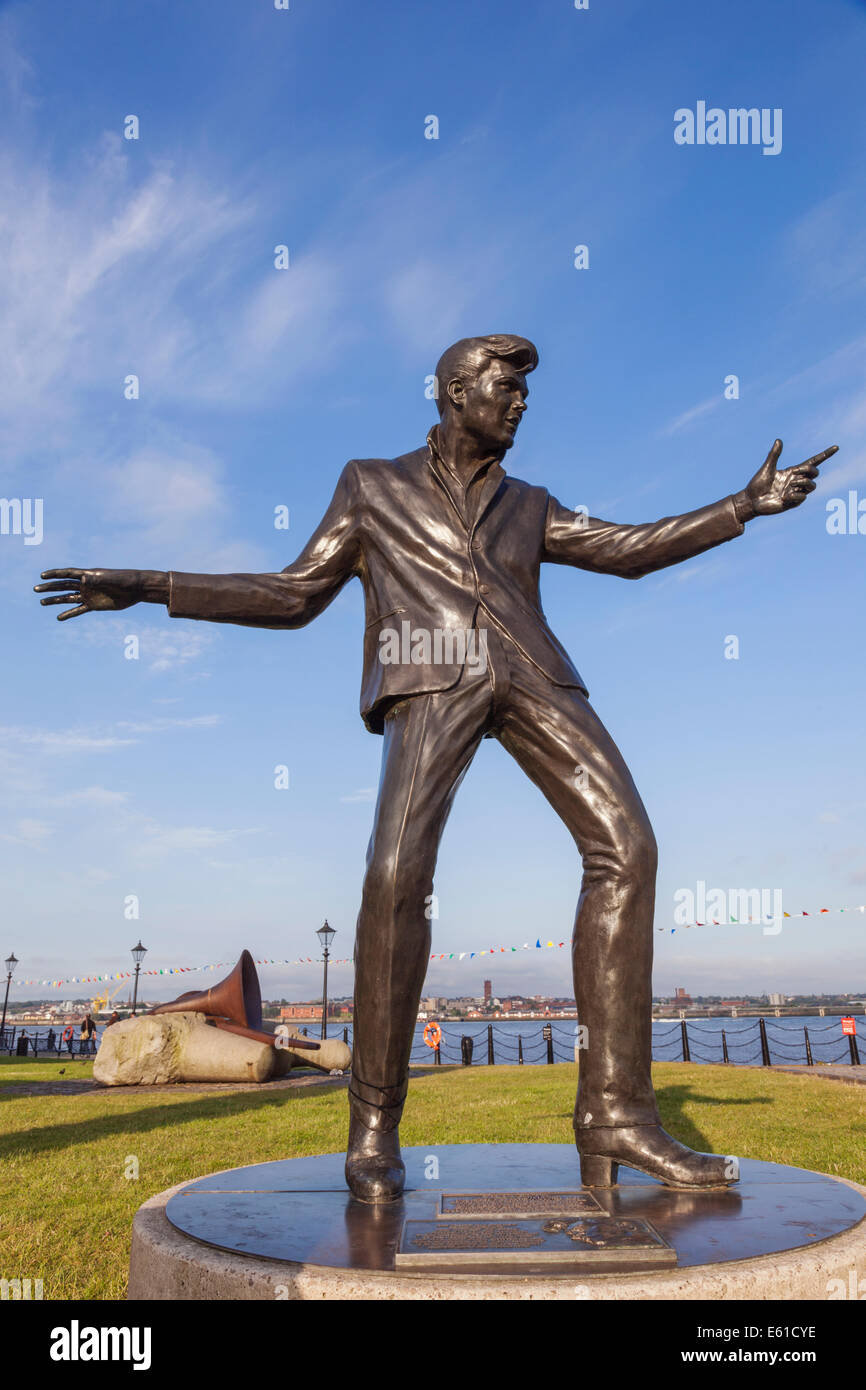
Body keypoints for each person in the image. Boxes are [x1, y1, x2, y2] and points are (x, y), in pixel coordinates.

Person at [34, 334, 836, 1202]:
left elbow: (624, 548)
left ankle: (616, 1115)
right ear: (456, 392)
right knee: (393, 876)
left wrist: (742, 507)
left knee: (627, 847)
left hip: (533, 674)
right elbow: (295, 592)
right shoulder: (371, 485)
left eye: (526, 390)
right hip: (429, 672)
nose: (522, 401)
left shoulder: (530, 503)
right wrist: (153, 585)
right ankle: (374, 1122)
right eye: (506, 387)